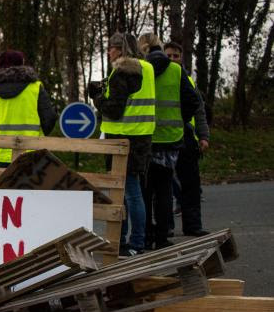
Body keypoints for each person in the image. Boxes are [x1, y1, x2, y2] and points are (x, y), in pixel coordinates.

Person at [89, 32, 155, 257]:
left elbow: (114, 110)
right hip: (142, 137)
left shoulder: (122, 71)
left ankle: (132, 242)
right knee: (131, 190)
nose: (108, 52)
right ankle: (130, 240)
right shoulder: (146, 68)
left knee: (129, 192)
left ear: (120, 49)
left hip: (121, 140)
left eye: (111, 48)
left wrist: (97, 97)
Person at [139, 34, 204, 249]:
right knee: (165, 188)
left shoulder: (142, 69)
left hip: (147, 137)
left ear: (144, 49)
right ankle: (162, 236)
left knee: (145, 191)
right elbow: (194, 101)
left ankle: (146, 236)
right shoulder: (177, 71)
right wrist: (179, 120)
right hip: (172, 138)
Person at [164, 41, 210, 237]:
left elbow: (199, 110)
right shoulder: (158, 77)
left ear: (181, 58)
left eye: (176, 55)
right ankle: (165, 227)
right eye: (169, 56)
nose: (173, 59)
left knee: (191, 183)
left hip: (186, 135)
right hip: (164, 137)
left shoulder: (188, 80)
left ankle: (193, 225)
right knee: (163, 185)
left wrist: (204, 136)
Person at [0, 50, 57, 168]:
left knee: (2, 185)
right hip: (32, 149)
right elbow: (49, 118)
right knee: (30, 186)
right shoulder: (35, 87)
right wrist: (39, 135)